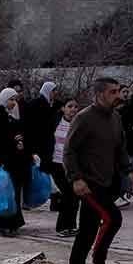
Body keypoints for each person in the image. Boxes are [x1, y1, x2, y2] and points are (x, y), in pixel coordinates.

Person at [64, 77, 132, 264]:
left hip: (108, 180)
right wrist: (76, 178)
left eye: (118, 91)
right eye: (113, 92)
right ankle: (98, 263)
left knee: (88, 226)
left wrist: (128, 170)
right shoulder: (84, 118)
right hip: (89, 183)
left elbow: (120, 147)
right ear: (100, 94)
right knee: (113, 218)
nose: (118, 95)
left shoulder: (115, 118)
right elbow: (69, 150)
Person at [0, 88, 29, 236]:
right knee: (3, 192)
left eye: (15, 100)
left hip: (9, 159)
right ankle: (3, 224)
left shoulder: (5, 115)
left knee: (3, 192)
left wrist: (18, 143)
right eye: (11, 99)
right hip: (1, 160)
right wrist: (12, 142)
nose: (14, 103)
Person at [51, 98, 80, 237]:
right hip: (57, 164)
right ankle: (62, 227)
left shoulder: (80, 124)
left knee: (75, 196)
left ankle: (71, 226)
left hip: (73, 165)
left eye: (75, 107)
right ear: (63, 108)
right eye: (70, 106)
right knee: (67, 195)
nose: (73, 109)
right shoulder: (55, 123)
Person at [25, 81, 59, 173]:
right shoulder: (37, 104)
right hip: (39, 145)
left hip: (46, 144)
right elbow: (31, 127)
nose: (55, 93)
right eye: (53, 90)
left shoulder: (50, 104)